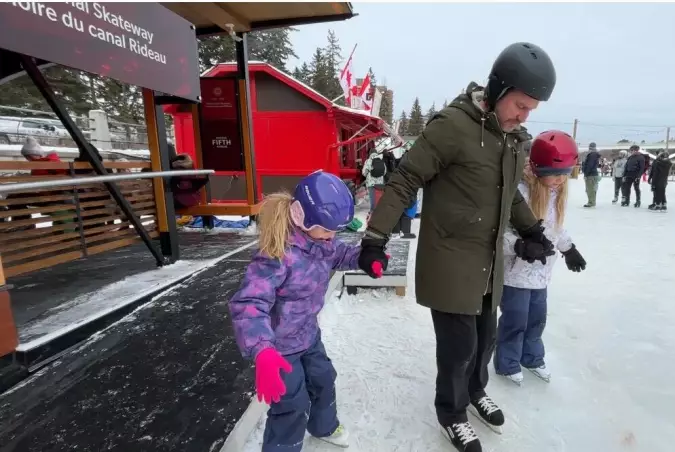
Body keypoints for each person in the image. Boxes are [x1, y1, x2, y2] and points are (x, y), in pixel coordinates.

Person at [356, 42, 558, 452]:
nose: (525, 115)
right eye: (520, 105)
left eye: (531, 109)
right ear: (498, 89)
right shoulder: (452, 126)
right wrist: (376, 237)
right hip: (450, 259)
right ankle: (451, 413)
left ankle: (475, 390)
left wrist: (533, 230)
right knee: (458, 347)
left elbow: (509, 197)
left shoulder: (511, 138)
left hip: (488, 261)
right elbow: (406, 180)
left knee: (485, 338)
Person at [228, 171, 380, 452]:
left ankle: (323, 426)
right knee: (291, 404)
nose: (332, 236)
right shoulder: (277, 255)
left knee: (324, 379)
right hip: (279, 348)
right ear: (302, 217)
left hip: (309, 336)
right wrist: (262, 350)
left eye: (335, 231)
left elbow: (339, 254)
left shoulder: (321, 241)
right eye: (327, 230)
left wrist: (364, 258)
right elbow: (249, 303)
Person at [495, 131, 584, 387]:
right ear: (536, 168)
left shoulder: (554, 193)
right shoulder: (519, 193)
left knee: (536, 321)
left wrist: (569, 249)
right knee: (515, 321)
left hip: (541, 275)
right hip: (515, 275)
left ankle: (532, 358)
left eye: (565, 174)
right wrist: (520, 246)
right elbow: (499, 234)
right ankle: (507, 362)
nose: (560, 180)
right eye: (554, 174)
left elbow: (555, 228)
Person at [361, 149, 386, 213]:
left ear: (370, 153)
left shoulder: (368, 161)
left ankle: (372, 211)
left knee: (372, 198)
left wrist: (368, 174)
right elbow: (384, 172)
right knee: (379, 197)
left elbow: (364, 173)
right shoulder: (381, 160)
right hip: (380, 183)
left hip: (371, 183)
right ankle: (379, 210)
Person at [581, 142, 601, 208]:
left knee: (590, 189)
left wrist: (586, 174)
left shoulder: (592, 154)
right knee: (589, 189)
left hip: (591, 174)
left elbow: (590, 165)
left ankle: (591, 202)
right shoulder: (592, 154)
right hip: (591, 174)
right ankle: (591, 201)